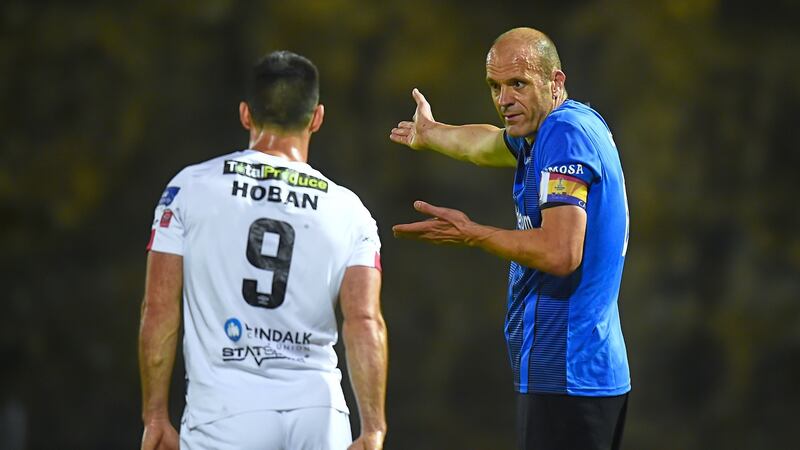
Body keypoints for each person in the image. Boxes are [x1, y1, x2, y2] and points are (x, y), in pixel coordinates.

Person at [390, 27, 630, 450]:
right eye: (494, 86)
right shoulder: (568, 125)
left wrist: (473, 235)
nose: (503, 99)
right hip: (583, 371)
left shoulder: (562, 134)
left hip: (566, 372)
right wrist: (430, 133)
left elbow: (561, 252)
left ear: (556, 82)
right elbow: (485, 145)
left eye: (517, 83)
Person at [138, 51, 388, 450]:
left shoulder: (189, 188)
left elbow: (158, 308)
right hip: (318, 415)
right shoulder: (349, 209)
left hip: (226, 410)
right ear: (317, 117)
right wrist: (373, 427)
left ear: (245, 114)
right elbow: (364, 320)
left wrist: (155, 414)